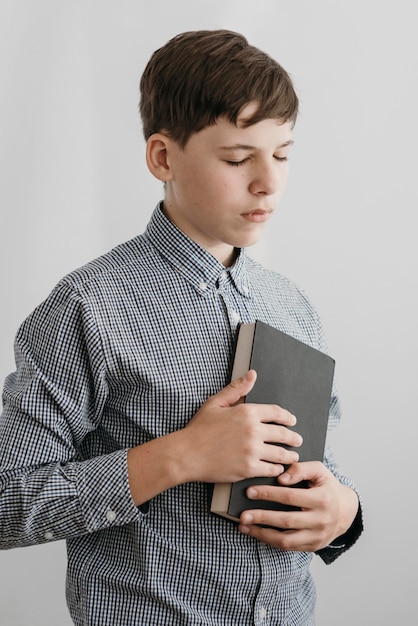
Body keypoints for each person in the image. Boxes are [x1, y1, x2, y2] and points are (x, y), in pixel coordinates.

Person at [0, 29, 362, 625]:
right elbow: (9, 501)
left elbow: (315, 464)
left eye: (283, 154)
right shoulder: (85, 307)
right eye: (238, 158)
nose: (268, 182)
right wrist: (182, 457)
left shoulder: (294, 307)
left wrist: (344, 514)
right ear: (163, 157)